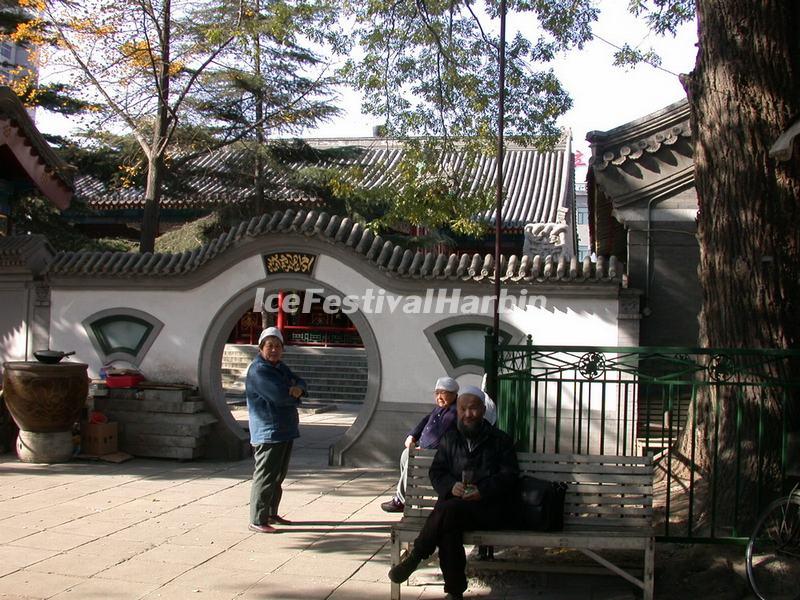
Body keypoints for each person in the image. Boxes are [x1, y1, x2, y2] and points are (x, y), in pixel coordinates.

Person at [388, 385, 519, 600]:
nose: (468, 414)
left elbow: (509, 476)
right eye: (463, 409)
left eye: (473, 409)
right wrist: (451, 486)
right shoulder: (450, 439)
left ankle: (416, 556)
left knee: (447, 512)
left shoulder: (500, 440)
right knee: (448, 525)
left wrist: (482, 491)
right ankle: (454, 592)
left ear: (483, 410)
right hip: (455, 508)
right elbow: (437, 472)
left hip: (487, 510)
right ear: (457, 410)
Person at [246, 326, 306, 533]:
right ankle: (257, 518)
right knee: (265, 475)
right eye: (269, 346)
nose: (274, 350)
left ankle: (271, 512)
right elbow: (279, 397)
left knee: (278, 476)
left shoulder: (280, 367)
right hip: (268, 430)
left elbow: (300, 381)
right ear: (261, 348)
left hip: (284, 429)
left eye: (278, 346)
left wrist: (298, 388)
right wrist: (294, 393)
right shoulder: (259, 370)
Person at [381, 376, 460, 513]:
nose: (439, 397)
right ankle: (408, 493)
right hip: (424, 451)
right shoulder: (438, 409)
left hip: (438, 455)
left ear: (454, 395)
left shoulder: (453, 412)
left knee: (413, 460)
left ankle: (401, 500)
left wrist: (423, 449)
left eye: (443, 393)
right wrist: (412, 436)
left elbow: (440, 435)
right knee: (406, 456)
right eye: (437, 393)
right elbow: (424, 422)